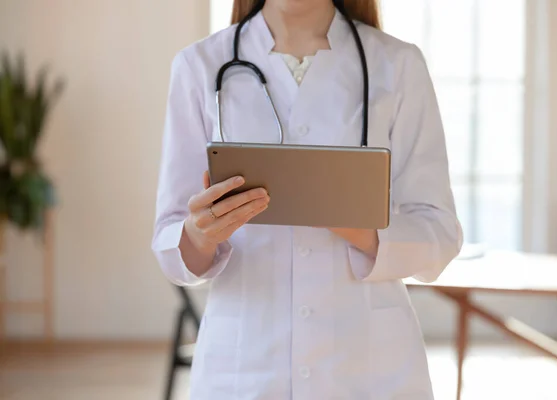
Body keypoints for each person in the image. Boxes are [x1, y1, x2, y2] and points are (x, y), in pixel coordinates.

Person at [152, 0, 463, 398]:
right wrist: (200, 234)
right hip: (245, 366)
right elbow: (170, 241)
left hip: (367, 367)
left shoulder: (398, 64)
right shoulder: (198, 66)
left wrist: (363, 229)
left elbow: (439, 232)